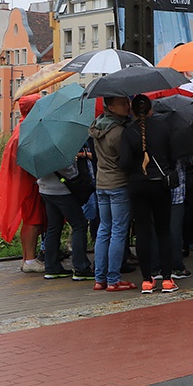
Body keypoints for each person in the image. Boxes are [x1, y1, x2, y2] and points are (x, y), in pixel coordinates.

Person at [119, 94, 179, 295]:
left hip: (137, 185)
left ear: (133, 111)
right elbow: (172, 157)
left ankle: (146, 280)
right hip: (160, 185)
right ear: (151, 110)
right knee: (164, 230)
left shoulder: (128, 133)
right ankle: (168, 279)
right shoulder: (163, 128)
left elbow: (124, 163)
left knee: (143, 231)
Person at [0, 94, 46, 272]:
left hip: (27, 182)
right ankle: (29, 260)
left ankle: (28, 258)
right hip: (30, 183)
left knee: (33, 220)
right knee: (32, 220)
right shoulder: (26, 132)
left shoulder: (22, 128)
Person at [88, 96, 136, 291]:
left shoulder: (97, 126)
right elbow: (126, 160)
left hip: (102, 183)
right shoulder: (118, 132)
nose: (128, 106)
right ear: (111, 107)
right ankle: (114, 279)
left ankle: (100, 278)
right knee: (118, 231)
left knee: (103, 230)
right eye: (123, 103)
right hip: (118, 183)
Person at [36, 158, 93, 281]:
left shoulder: (38, 147)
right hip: (62, 190)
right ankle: (81, 267)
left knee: (53, 227)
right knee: (79, 225)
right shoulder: (58, 147)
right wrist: (76, 173)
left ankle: (51, 267)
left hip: (45, 188)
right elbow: (67, 170)